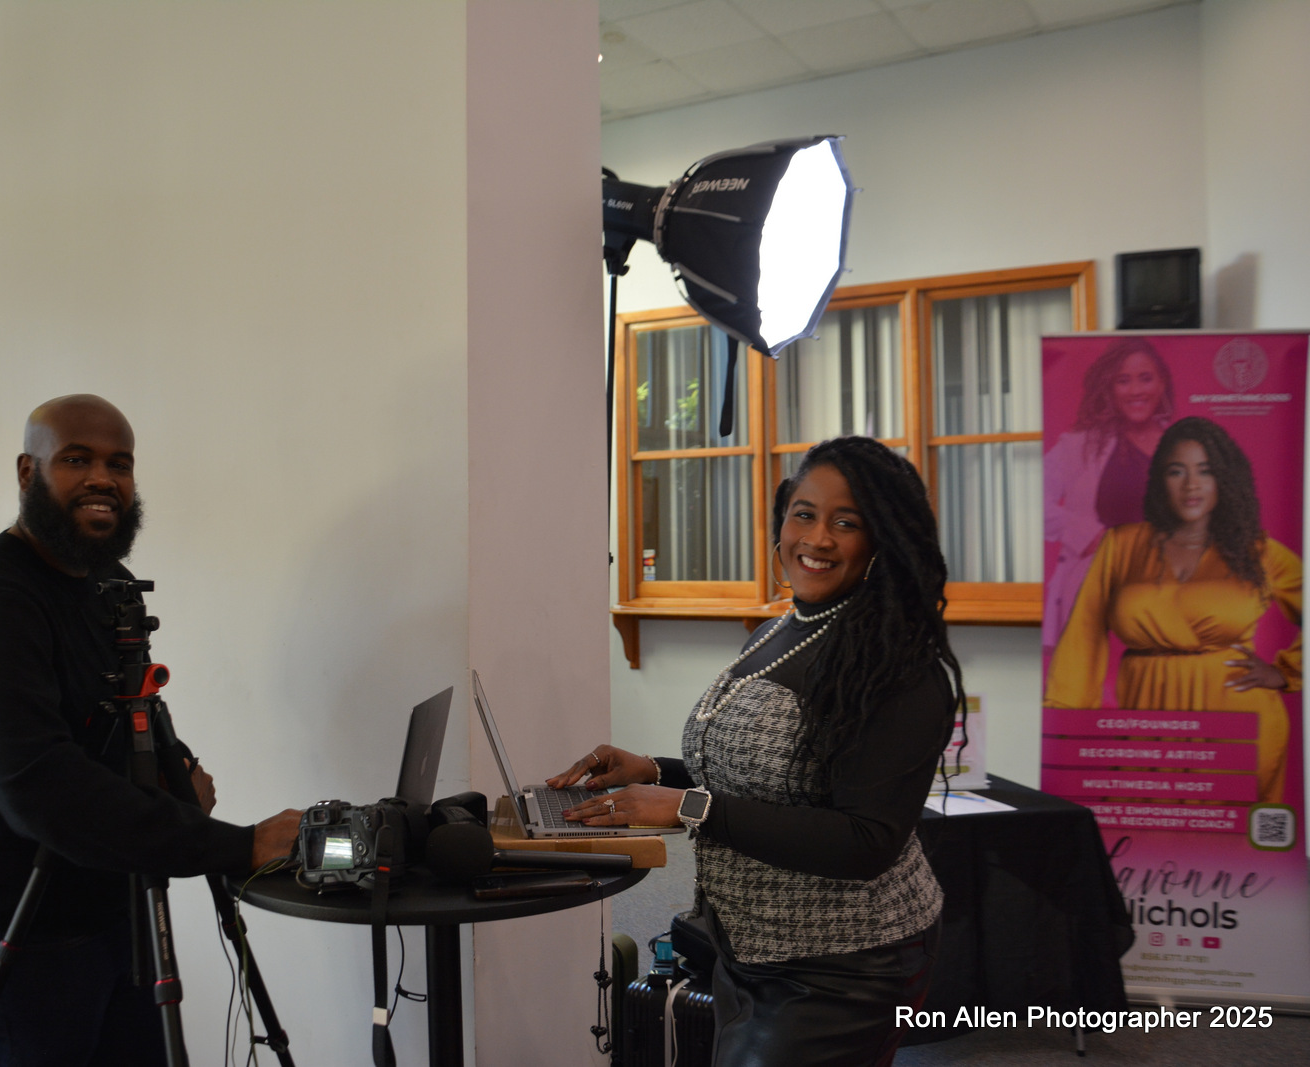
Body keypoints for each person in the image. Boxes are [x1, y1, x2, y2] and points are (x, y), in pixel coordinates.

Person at [0, 394, 302, 1066]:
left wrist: (175, 772)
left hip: (110, 894)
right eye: (76, 459)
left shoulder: (107, 582)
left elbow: (125, 713)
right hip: (16, 913)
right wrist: (235, 846)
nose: (102, 478)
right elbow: (45, 789)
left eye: (120, 464)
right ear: (28, 472)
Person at [551, 437, 960, 1067]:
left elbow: (866, 840)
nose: (816, 538)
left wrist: (685, 806)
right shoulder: (781, 629)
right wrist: (654, 771)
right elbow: (770, 779)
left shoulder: (899, 667)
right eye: (804, 514)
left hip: (842, 967)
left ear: (883, 540)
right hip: (747, 947)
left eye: (846, 523)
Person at [1044, 416, 1302, 804]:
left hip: (1237, 726)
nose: (1191, 485)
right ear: (1160, 480)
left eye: (1205, 471)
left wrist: (1286, 672)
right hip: (1145, 722)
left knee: (1229, 831)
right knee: (1141, 827)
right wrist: (1064, 727)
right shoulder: (1121, 545)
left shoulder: (1260, 552)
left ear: (1225, 479)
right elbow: (1082, 637)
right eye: (1176, 471)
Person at [1043, 339, 1177, 647]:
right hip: (1095, 595)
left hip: (1168, 598)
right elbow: (1033, 498)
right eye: (1123, 380)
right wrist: (1085, 534)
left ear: (1162, 383)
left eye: (1146, 378)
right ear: (1110, 388)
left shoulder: (1185, 445)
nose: (1136, 390)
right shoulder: (1080, 446)